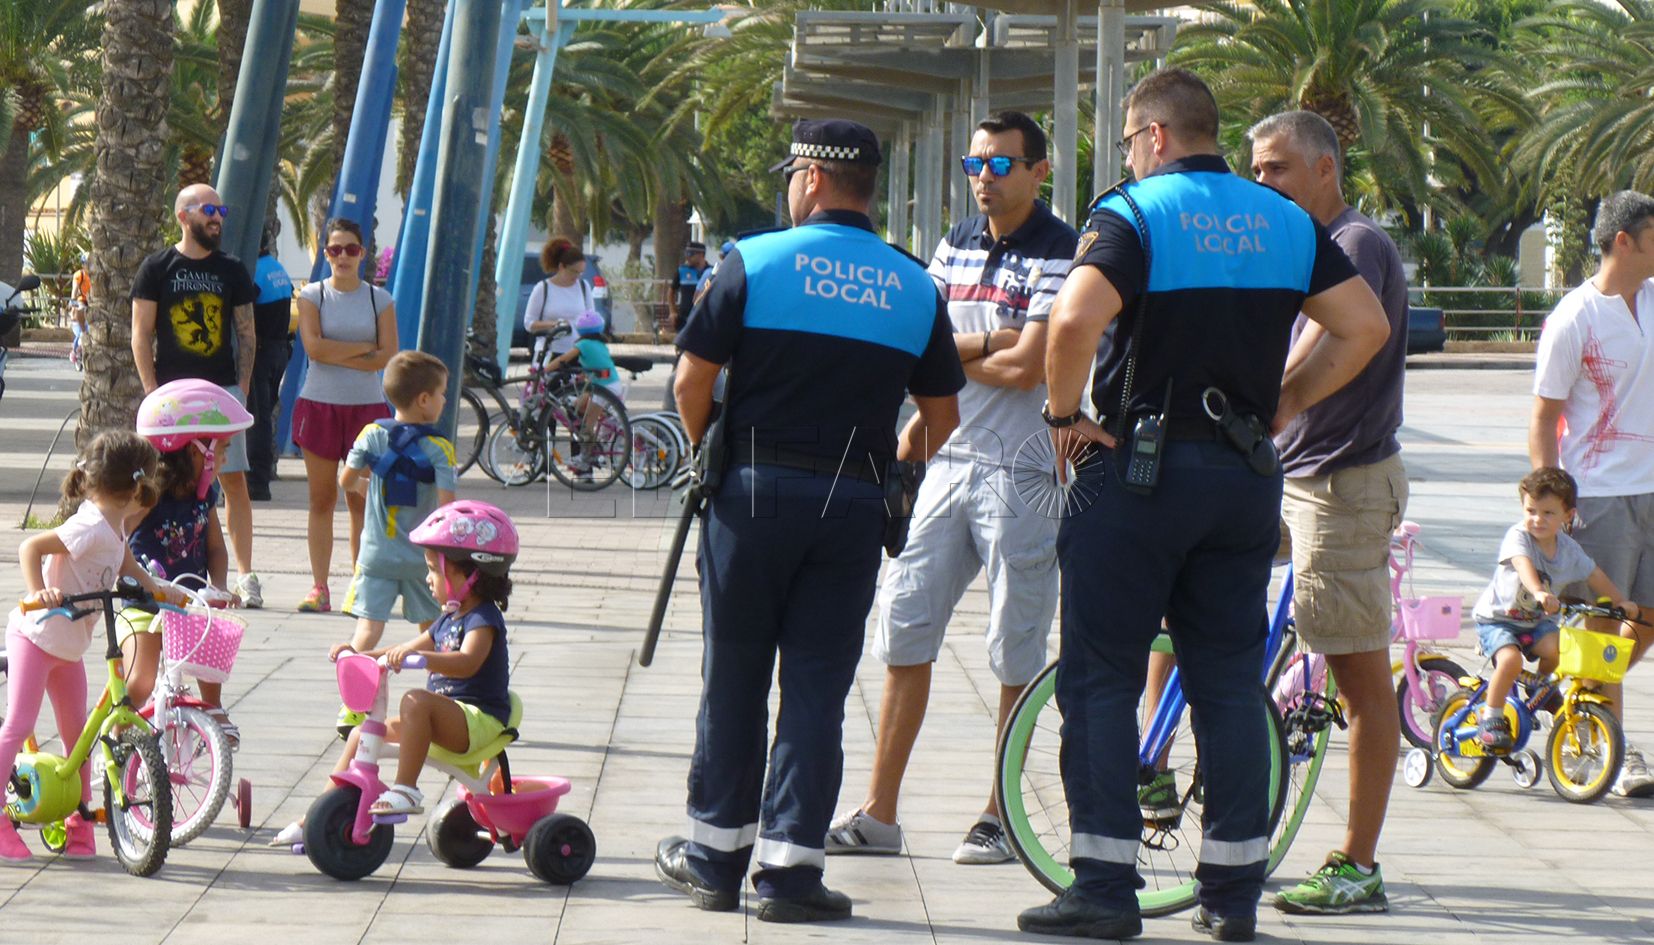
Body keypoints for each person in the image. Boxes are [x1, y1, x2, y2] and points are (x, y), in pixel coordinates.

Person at [1024, 68, 1388, 942]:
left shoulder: (1137, 211)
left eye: (1125, 142)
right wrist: (1286, 401)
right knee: (1227, 682)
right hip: (1242, 478)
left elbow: (1074, 323)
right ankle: (1230, 899)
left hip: (1140, 474)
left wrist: (1065, 416)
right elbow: (1365, 326)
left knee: (1102, 677)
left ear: (1153, 137)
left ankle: (1106, 888)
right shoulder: (1287, 221)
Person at [653, 118, 965, 923]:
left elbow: (693, 381)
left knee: (735, 676)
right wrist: (897, 469)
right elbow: (943, 418)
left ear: (815, 179)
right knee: (818, 688)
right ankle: (791, 871)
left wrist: (703, 451)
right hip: (853, 504)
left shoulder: (753, 261)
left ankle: (716, 858)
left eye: (792, 171)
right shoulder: (911, 285)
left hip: (753, 496)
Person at [828, 110, 1076, 865]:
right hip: (947, 460)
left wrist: (953, 353)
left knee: (1014, 646)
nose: (984, 179)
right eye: (976, 165)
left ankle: (1001, 814)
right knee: (903, 627)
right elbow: (916, 344)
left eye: (1002, 165)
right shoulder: (953, 242)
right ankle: (879, 813)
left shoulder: (1063, 250)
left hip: (1026, 470)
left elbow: (1028, 367)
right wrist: (984, 343)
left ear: (1039, 171)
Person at [1244, 110, 1411, 915]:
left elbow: (1337, 346)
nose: (1262, 182)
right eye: (1256, 168)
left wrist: (1271, 404)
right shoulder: (1302, 248)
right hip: (1295, 475)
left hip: (1340, 485)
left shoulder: (1355, 244)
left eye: (1276, 168)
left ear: (1323, 168)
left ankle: (1358, 862)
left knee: (1359, 676)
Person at [270, 500, 517, 843]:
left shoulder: (483, 618)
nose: (428, 579)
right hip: (447, 719)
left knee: (416, 701)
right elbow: (402, 650)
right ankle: (314, 818)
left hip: (477, 721)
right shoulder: (449, 617)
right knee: (360, 735)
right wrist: (359, 655)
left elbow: (468, 662)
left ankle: (406, 789)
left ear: (472, 574)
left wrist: (427, 659)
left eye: (434, 569)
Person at [1530, 189, 1654, 797]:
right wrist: (1552, 505)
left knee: (1646, 622)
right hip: (1600, 494)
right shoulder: (1574, 318)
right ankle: (1617, 751)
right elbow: (1543, 416)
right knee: (1605, 628)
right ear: (1624, 241)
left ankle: (1572, 692)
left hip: (1653, 490)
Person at [0, 431, 162, 861]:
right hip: (36, 638)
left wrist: (169, 594)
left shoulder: (116, 530)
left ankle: (79, 821)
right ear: (136, 486)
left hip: (68, 648)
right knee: (17, 725)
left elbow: (133, 573)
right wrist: (40, 594)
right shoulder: (89, 525)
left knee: (80, 739)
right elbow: (30, 545)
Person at [130, 183, 262, 608]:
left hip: (218, 392)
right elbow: (140, 333)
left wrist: (240, 389)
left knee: (232, 479)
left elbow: (246, 332)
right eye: (209, 209)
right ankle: (149, 563)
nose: (218, 217)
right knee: (166, 478)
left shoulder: (232, 270)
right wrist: (152, 393)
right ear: (183, 216)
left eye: (221, 209)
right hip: (170, 398)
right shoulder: (157, 267)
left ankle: (244, 575)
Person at [126, 379, 256, 746]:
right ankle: (115, 740)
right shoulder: (149, 497)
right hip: (143, 603)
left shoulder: (204, 495)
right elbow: (118, 536)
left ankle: (211, 709)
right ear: (196, 451)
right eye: (223, 448)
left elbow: (215, 547)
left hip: (188, 603)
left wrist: (217, 586)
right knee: (139, 683)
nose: (226, 458)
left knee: (210, 639)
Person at [1471, 467, 1640, 747]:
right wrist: (1538, 590)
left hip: (1536, 624)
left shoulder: (1569, 549)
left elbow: (1593, 573)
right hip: (1498, 620)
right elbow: (1522, 564)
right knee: (1511, 661)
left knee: (1562, 649)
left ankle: (1541, 688)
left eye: (1548, 513)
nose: (1537, 520)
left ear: (1568, 516)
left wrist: (1619, 601)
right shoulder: (1518, 537)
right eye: (1531, 511)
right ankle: (1491, 716)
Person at [335, 350, 457, 733]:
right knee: (433, 630)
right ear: (424, 399)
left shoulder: (372, 434)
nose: (444, 401)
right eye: (441, 394)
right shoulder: (440, 448)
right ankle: (443, 697)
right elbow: (446, 509)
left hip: (376, 555)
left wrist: (367, 484)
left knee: (368, 631)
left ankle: (352, 707)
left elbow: (345, 481)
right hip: (423, 561)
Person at [292, 218, 398, 613]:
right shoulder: (312, 296)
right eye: (334, 250)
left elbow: (388, 354)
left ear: (363, 253)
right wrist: (363, 350)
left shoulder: (379, 300)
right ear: (325, 253)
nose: (342, 257)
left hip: (367, 411)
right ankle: (319, 587)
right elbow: (313, 349)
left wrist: (343, 351)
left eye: (350, 249)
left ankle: (360, 585)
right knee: (321, 499)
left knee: (361, 500)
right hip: (319, 405)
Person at [247, 228, 294, 502]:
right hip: (279, 351)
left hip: (262, 353)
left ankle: (257, 482)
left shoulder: (254, 274)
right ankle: (262, 476)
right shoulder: (277, 269)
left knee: (256, 418)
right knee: (264, 416)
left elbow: (247, 316)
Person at [524, 238, 593, 365]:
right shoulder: (543, 288)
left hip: (577, 352)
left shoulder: (584, 287)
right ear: (561, 267)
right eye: (574, 272)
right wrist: (555, 324)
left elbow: (591, 319)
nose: (577, 276)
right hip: (549, 352)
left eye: (581, 273)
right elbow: (529, 323)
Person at [675, 240, 711, 330]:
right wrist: (673, 312)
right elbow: (671, 291)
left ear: (701, 255)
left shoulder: (711, 272)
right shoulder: (682, 270)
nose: (687, 257)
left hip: (704, 318)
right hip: (684, 318)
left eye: (690, 254)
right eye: (686, 253)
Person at [69, 253, 91, 369]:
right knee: (80, 329)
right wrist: (73, 305)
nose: (90, 266)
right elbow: (74, 290)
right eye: (87, 264)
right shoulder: (79, 275)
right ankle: (75, 351)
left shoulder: (95, 275)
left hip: (93, 301)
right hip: (81, 300)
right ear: (83, 265)